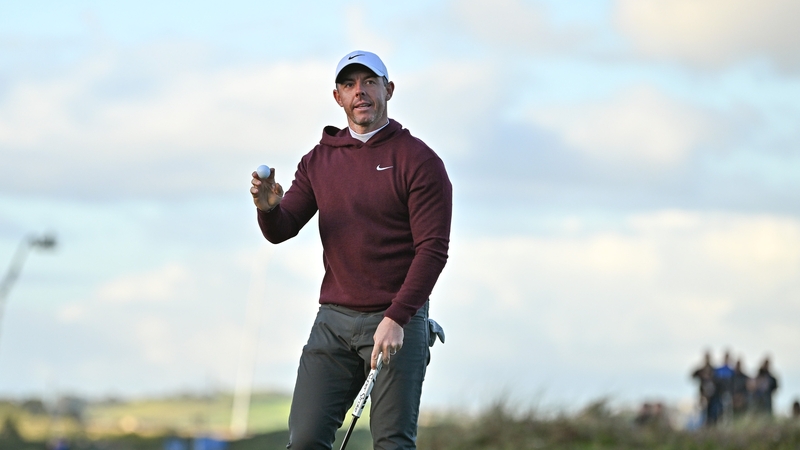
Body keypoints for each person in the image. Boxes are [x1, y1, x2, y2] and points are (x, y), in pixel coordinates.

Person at [250, 50, 452, 449]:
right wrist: (268, 210)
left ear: (388, 90)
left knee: (392, 442)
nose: (359, 91)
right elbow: (282, 229)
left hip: (397, 319)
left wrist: (397, 316)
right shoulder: (318, 160)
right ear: (338, 97)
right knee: (305, 440)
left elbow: (433, 249)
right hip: (334, 322)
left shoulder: (419, 160)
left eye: (369, 82)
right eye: (349, 84)